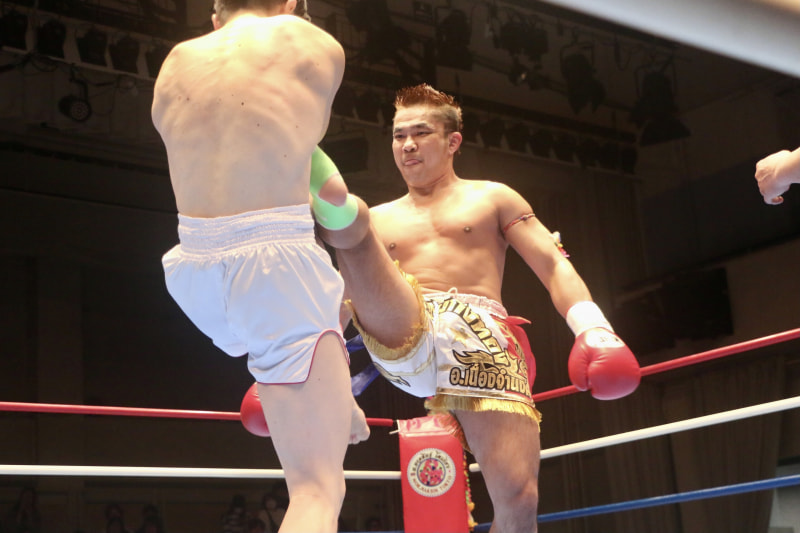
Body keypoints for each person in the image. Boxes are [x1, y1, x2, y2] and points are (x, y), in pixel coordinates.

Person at [317, 84, 641, 533]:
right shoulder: (379, 218)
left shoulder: (494, 198)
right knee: (352, 225)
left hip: (480, 338)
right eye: (398, 135)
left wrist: (593, 329)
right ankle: (310, 166)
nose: (407, 145)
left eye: (420, 133)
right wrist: (305, 370)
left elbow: (551, 264)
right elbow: (342, 299)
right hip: (403, 332)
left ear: (453, 141)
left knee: (520, 499)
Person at [150, 1, 369, 531]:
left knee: (310, 321)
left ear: (215, 15)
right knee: (318, 490)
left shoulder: (174, 62)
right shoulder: (307, 41)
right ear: (290, 4)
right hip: (274, 266)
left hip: (192, 269)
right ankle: (331, 397)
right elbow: (330, 193)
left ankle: (337, 399)